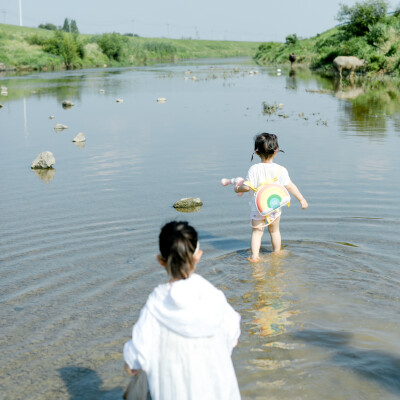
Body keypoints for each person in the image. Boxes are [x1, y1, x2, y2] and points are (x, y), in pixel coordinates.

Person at [123, 221, 241, 400]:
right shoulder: (214, 298)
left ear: (160, 260)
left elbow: (134, 361)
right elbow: (233, 338)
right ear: (198, 256)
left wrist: (131, 367)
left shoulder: (155, 306)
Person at [235, 133, 308, 260]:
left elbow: (247, 187)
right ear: (276, 151)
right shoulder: (281, 170)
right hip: (274, 206)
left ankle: (255, 257)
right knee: (275, 231)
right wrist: (301, 199)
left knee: (257, 233)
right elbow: (290, 186)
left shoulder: (254, 169)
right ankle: (277, 253)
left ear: (256, 152)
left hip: (258, 208)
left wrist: (237, 188)